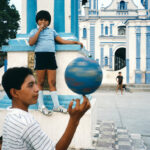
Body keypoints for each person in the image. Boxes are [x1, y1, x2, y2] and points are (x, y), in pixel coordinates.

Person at [1, 67, 90, 150]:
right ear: (15, 92)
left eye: (35, 83)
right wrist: (74, 120)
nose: (37, 89)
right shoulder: (27, 123)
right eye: (30, 85)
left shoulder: (10, 115)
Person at [29, 10, 83, 116]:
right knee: (39, 82)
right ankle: (41, 105)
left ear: (48, 22)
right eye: (41, 20)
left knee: (52, 82)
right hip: (40, 56)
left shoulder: (52, 31)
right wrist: (39, 30)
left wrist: (75, 42)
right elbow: (31, 43)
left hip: (50, 57)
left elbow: (62, 41)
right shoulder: (33, 31)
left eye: (45, 20)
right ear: (37, 21)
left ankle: (56, 106)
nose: (43, 22)